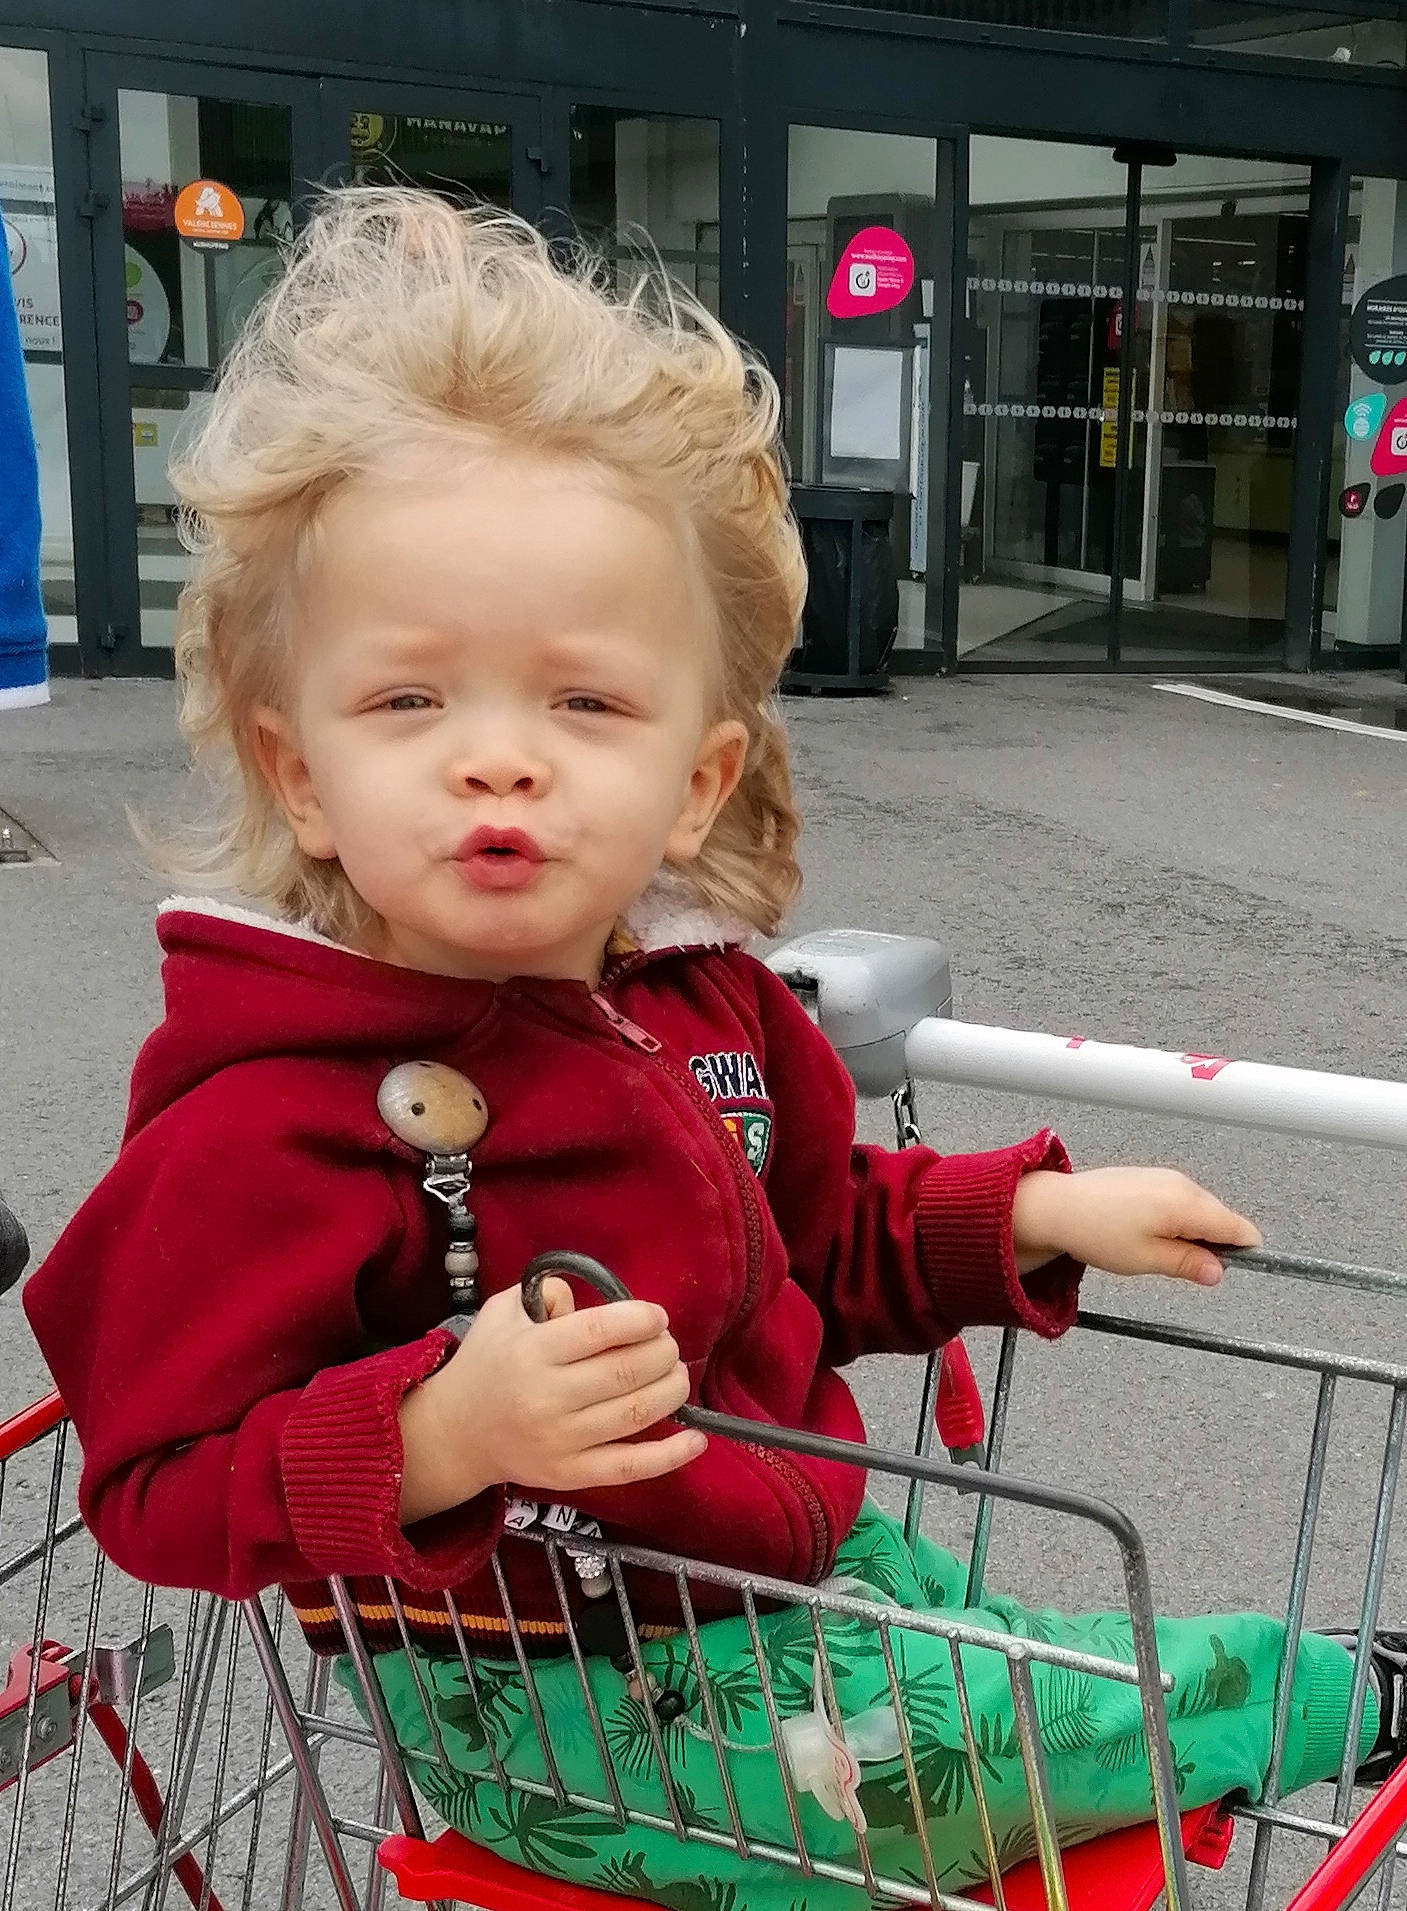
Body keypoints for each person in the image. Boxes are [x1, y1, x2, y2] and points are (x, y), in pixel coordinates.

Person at [23, 188, 1402, 1910]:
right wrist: (438, 1434)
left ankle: (1251, 1690)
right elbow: (155, 1480)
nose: (501, 761)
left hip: (808, 1581)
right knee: (1127, 1708)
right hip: (564, 1711)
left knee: (1051, 1694)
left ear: (695, 776)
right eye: (409, 700)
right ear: (298, 767)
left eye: (584, 702)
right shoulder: (279, 1117)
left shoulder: (707, 1009)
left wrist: (1023, 1221)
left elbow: (811, 1237)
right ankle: (1346, 1687)